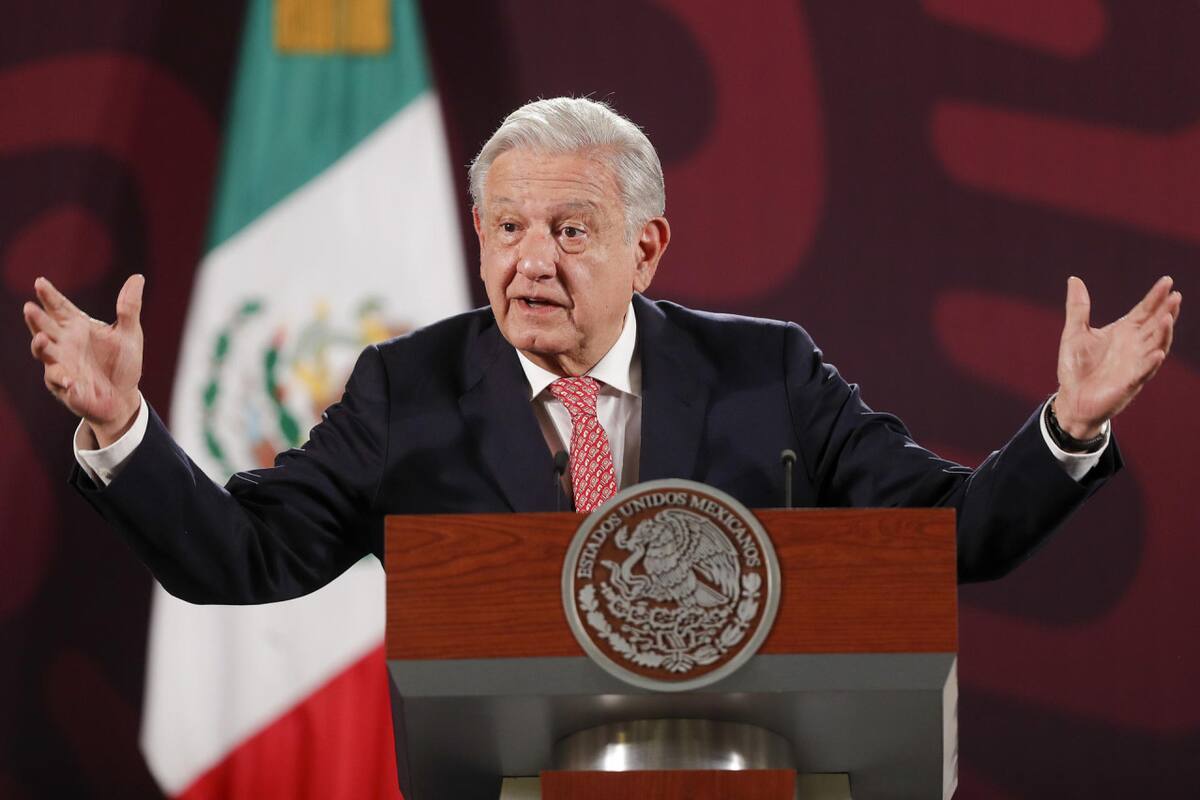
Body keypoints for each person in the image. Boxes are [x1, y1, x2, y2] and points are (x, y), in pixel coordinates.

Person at [23, 98, 1181, 603]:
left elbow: (948, 538)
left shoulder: (769, 377)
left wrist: (1068, 428)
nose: (531, 261)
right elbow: (245, 556)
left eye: (570, 231)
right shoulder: (403, 391)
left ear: (647, 247)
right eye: (506, 229)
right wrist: (122, 430)